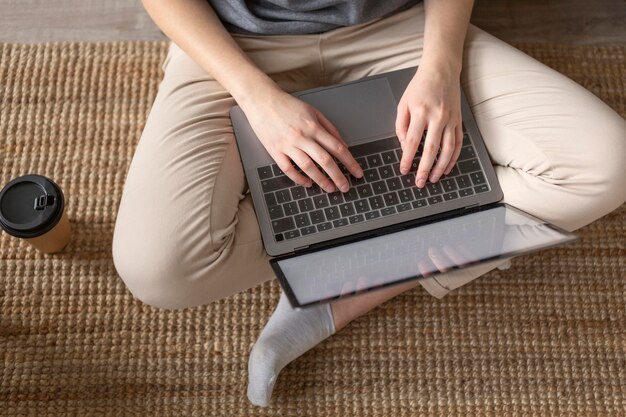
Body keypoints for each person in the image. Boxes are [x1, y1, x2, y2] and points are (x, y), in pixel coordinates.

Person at [112, 0, 626, 407]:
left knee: (606, 165)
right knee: (160, 270)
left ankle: (329, 292)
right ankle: (405, 238)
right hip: (236, 46)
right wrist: (256, 97)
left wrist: (440, 68)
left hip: (402, 27)